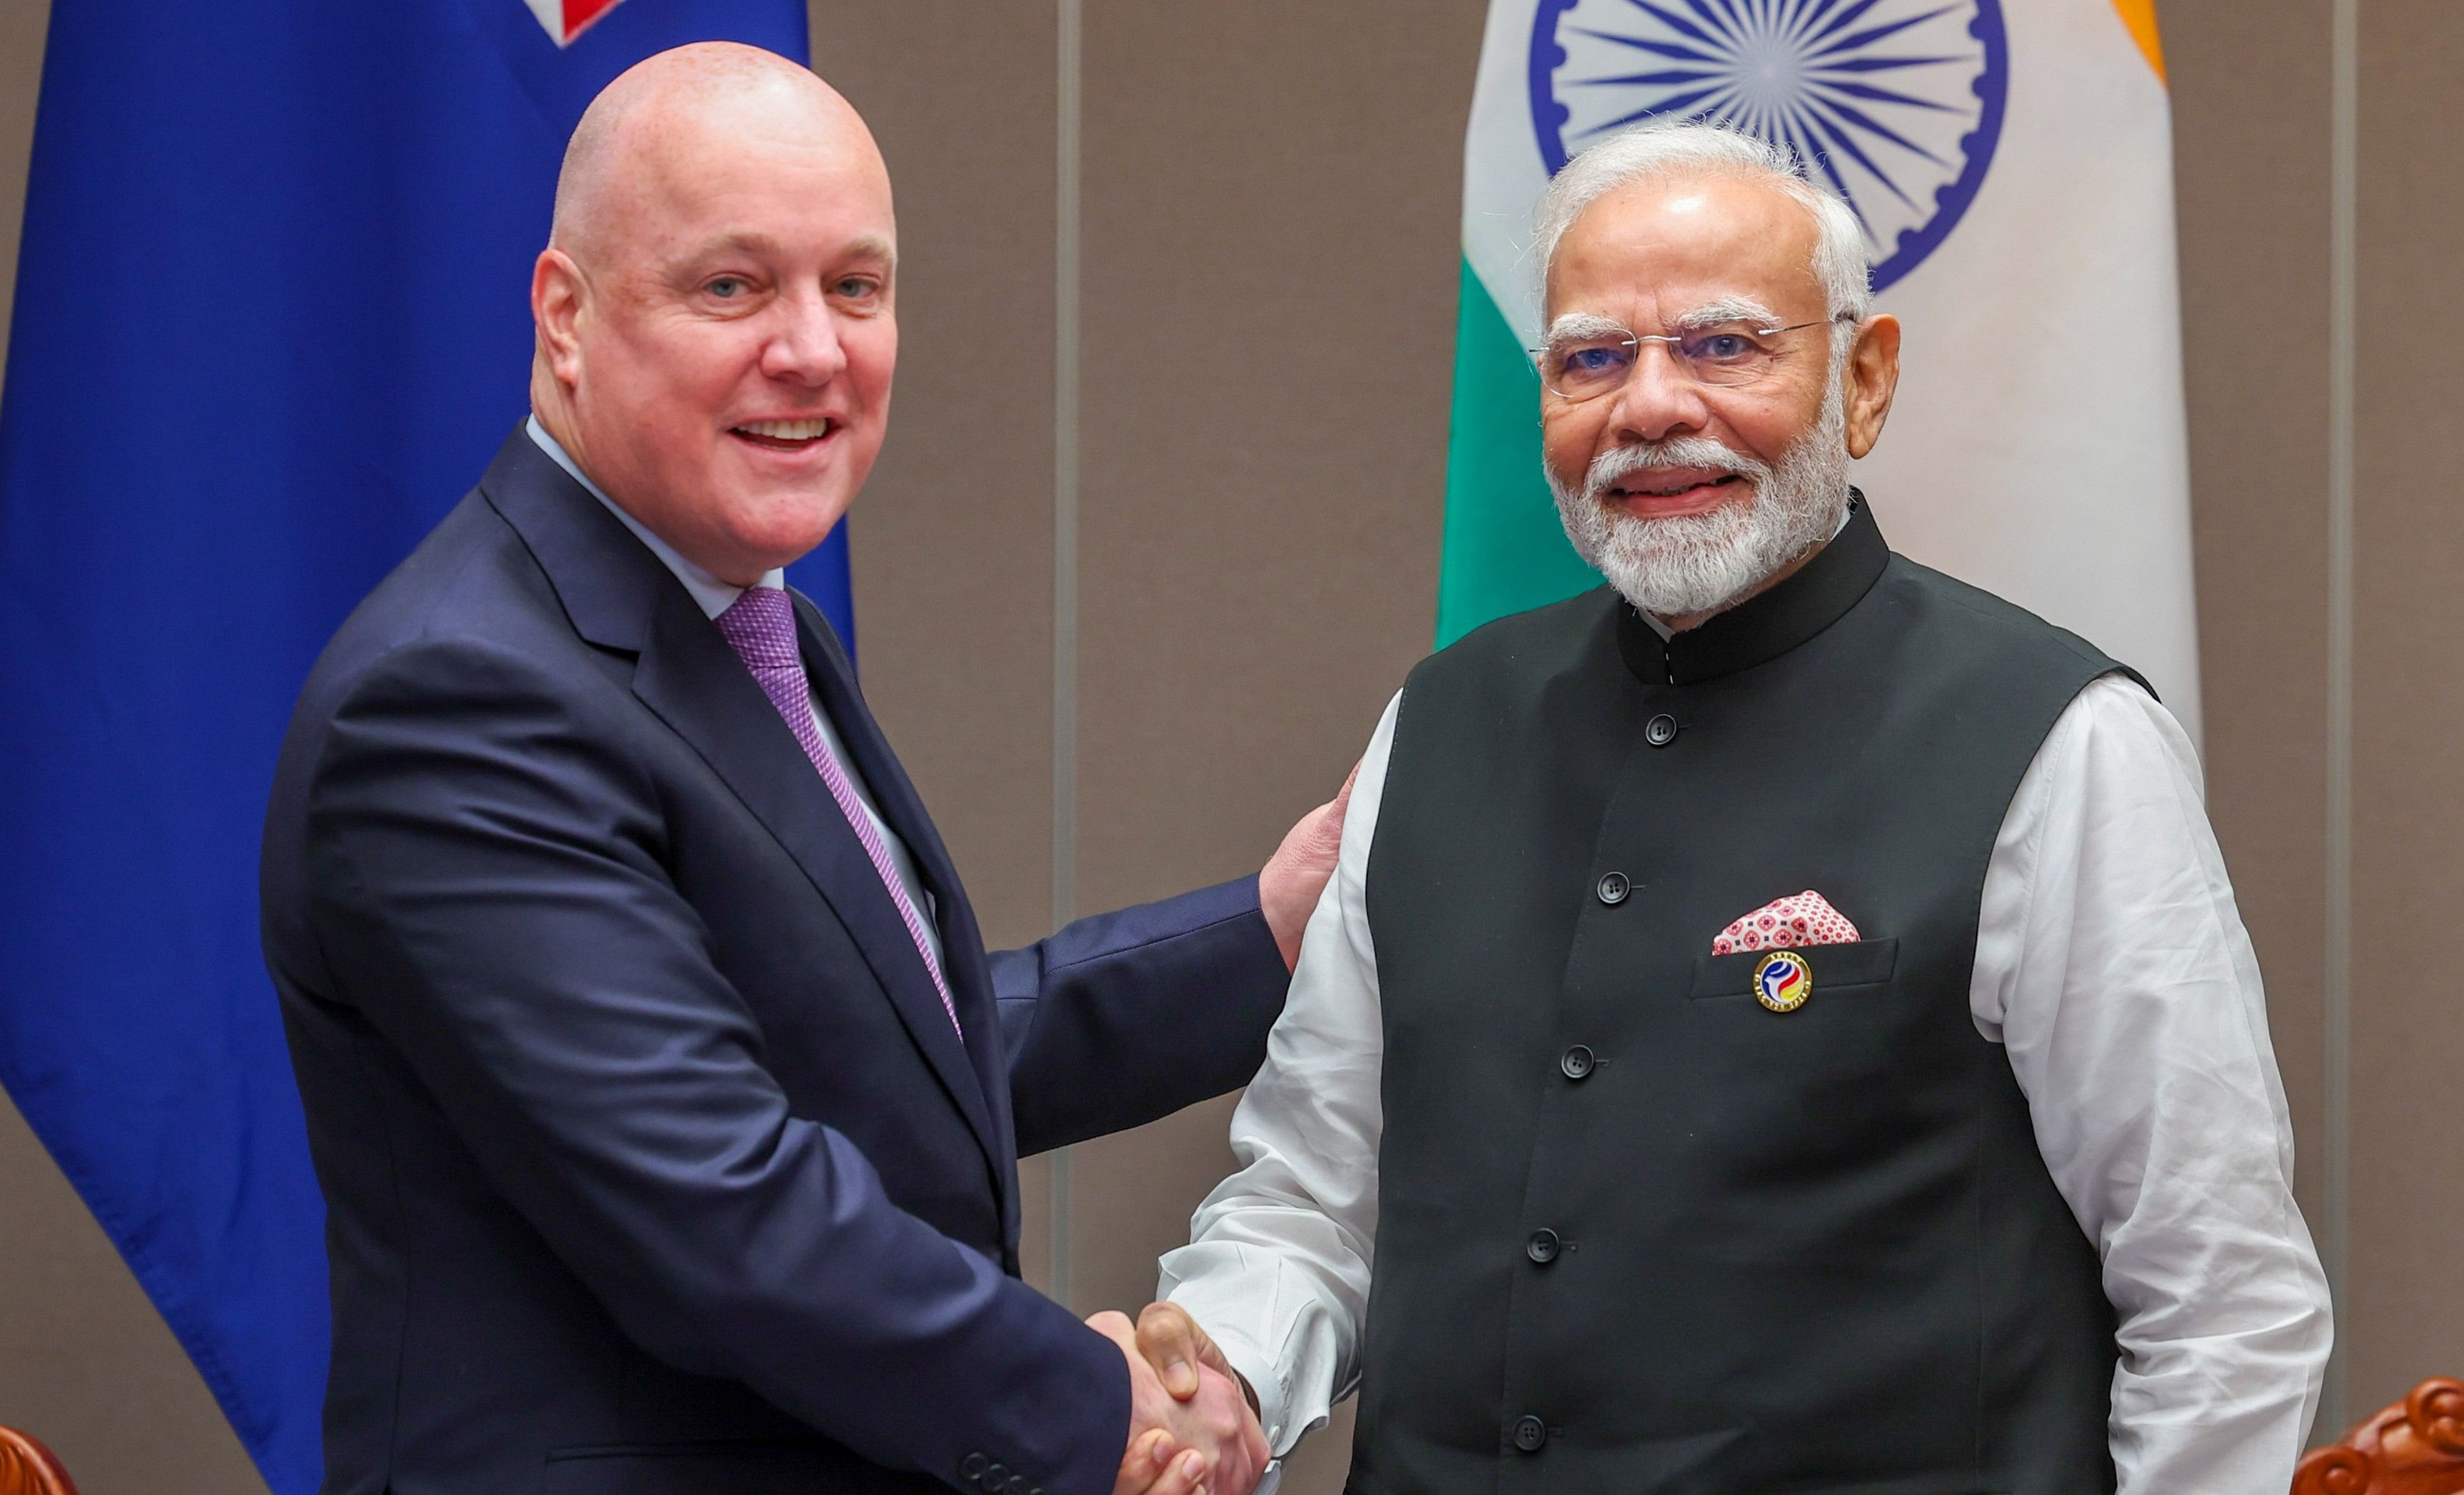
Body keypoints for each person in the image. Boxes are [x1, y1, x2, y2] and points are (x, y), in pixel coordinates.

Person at [1135, 122, 2333, 1494]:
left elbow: (2222, 1306)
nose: (1648, 406)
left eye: (1722, 344)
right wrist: (1212, 1370)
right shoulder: (1440, 722)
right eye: (1589, 356)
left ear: (1863, 380)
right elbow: (1309, 1201)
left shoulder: (2059, 745)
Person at [261, 44, 1314, 1495]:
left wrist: (1265, 935)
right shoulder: (458, 698)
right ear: (564, 317)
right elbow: (726, 1202)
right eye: (731, 287)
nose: (814, 350)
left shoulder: (744, 617)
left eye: (856, 287)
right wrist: (1102, 1412)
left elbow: (871, 1051)